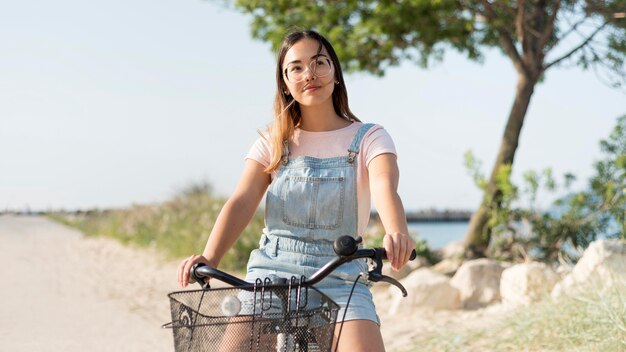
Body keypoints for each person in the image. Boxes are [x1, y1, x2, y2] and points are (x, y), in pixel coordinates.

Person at [177, 29, 414, 352]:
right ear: (285, 83)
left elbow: (384, 184)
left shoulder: (370, 137)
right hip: (270, 275)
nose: (309, 75)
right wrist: (210, 256)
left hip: (341, 275)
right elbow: (242, 200)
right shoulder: (273, 141)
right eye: (297, 68)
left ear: (336, 74)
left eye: (319, 63)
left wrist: (396, 231)